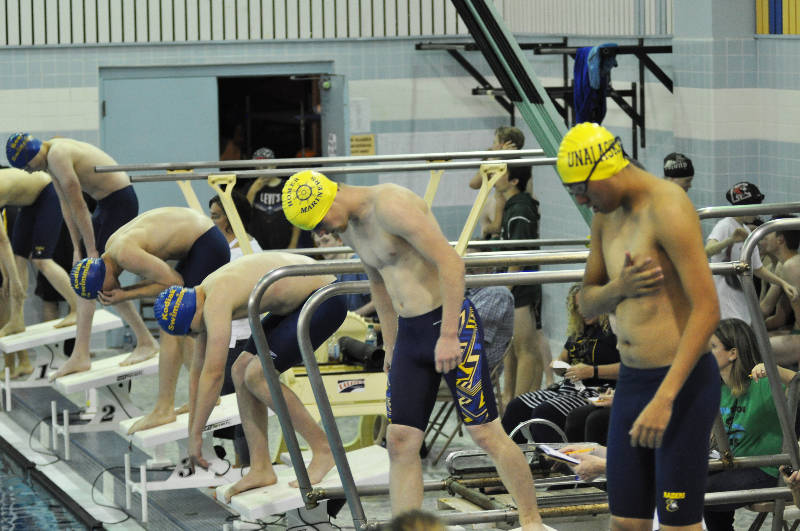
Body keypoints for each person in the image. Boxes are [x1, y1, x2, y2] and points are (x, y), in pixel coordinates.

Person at [281, 170, 546, 530]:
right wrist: (390, 345)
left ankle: (531, 520)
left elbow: (450, 262)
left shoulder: (392, 205)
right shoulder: (351, 227)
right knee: (401, 440)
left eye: (322, 217)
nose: (325, 229)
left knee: (485, 432)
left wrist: (450, 333)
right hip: (409, 336)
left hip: (451, 325)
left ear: (332, 195)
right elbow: (378, 281)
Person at [558, 122, 721, 530]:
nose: (581, 199)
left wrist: (665, 399)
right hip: (632, 382)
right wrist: (620, 287)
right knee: (625, 522)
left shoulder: (668, 207)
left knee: (676, 525)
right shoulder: (605, 217)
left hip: (680, 385)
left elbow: (707, 310)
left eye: (583, 189)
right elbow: (586, 299)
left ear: (608, 170)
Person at [151, 252, 346, 500]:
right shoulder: (201, 295)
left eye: (190, 332)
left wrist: (197, 435)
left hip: (324, 298)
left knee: (256, 375)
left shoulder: (216, 300)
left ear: (191, 317)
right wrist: (193, 432)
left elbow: (212, 375)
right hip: (299, 299)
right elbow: (197, 371)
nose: (193, 338)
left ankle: (324, 449)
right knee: (240, 369)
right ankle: (261, 467)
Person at [6, 133, 159, 381]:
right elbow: (66, 207)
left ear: (32, 156)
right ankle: (123, 344)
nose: (29, 171)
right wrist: (77, 248)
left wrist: (90, 251)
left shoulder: (57, 155)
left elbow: (79, 205)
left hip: (119, 202)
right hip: (107, 204)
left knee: (94, 275)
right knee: (96, 278)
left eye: (26, 166)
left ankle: (126, 344)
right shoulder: (51, 157)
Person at [69, 207, 230, 430]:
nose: (105, 292)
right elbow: (168, 281)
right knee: (176, 323)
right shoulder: (112, 248)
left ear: (100, 276)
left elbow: (174, 283)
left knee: (171, 321)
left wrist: (126, 294)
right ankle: (206, 396)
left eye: (101, 290)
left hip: (207, 246)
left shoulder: (124, 254)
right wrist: (126, 292)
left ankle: (164, 409)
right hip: (200, 243)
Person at [501, 284, 619, 443]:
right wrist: (559, 367)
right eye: (577, 308)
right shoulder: (579, 331)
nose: (582, 312)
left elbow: (628, 367)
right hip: (570, 388)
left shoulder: (613, 331)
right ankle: (513, 459)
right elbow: (560, 360)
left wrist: (592, 371)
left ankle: (554, 461)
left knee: (545, 411)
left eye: (586, 306)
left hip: (597, 390)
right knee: (516, 406)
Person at [704, 318, 791, 531]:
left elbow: (797, 384)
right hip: (732, 465)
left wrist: (775, 370)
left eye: (712, 347)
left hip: (768, 470)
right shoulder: (718, 387)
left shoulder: (764, 382)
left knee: (704, 492)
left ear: (733, 353)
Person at [492, 160, 552, 400]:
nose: (496, 176)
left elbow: (519, 253)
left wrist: (505, 288)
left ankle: (520, 407)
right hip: (515, 285)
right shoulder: (512, 205)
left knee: (526, 349)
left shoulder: (520, 209)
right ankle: (513, 399)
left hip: (521, 287)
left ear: (514, 181)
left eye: (502, 173)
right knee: (515, 349)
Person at [207, 192, 262, 450]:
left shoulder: (246, 252)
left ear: (230, 220)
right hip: (224, 334)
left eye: (216, 216)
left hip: (240, 338)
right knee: (228, 412)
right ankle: (238, 464)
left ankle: (248, 464)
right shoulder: (224, 247)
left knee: (241, 411)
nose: (211, 221)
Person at [0, 167, 79, 337]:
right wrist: (7, 276)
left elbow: (3, 242)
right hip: (29, 202)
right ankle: (17, 320)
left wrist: (12, 279)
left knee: (41, 260)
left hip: (48, 192)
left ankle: (78, 307)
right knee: (18, 256)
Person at [705, 182, 798, 325]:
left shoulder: (748, 232)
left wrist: (783, 283)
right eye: (755, 207)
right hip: (723, 303)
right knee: (730, 344)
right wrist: (729, 240)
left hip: (740, 303)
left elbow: (758, 269)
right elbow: (706, 251)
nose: (758, 212)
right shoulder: (725, 224)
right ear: (745, 206)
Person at [757, 216, 800, 365]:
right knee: (756, 339)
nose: (762, 241)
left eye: (766, 236)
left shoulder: (791, 266)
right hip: (795, 331)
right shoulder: (784, 266)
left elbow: (765, 308)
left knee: (753, 347)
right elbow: (778, 318)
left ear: (780, 239)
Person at [469, 126, 525, 239]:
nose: (492, 145)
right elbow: (474, 184)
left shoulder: (518, 164)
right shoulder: (492, 156)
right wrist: (493, 158)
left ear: (503, 144)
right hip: (499, 202)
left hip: (506, 202)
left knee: (495, 229)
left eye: (494, 142)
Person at [245, 147, 304, 250]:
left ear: (274, 165)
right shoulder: (250, 187)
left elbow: (297, 218)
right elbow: (243, 214)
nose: (262, 171)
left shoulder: (287, 187)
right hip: (258, 245)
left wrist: (293, 244)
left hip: (284, 243)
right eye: (258, 167)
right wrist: (253, 191)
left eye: (265, 166)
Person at [312, 229, 375, 317]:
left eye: (326, 241)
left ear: (340, 240)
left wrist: (351, 317)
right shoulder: (329, 269)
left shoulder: (357, 263)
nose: (322, 248)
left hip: (368, 323)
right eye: (318, 244)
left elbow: (377, 301)